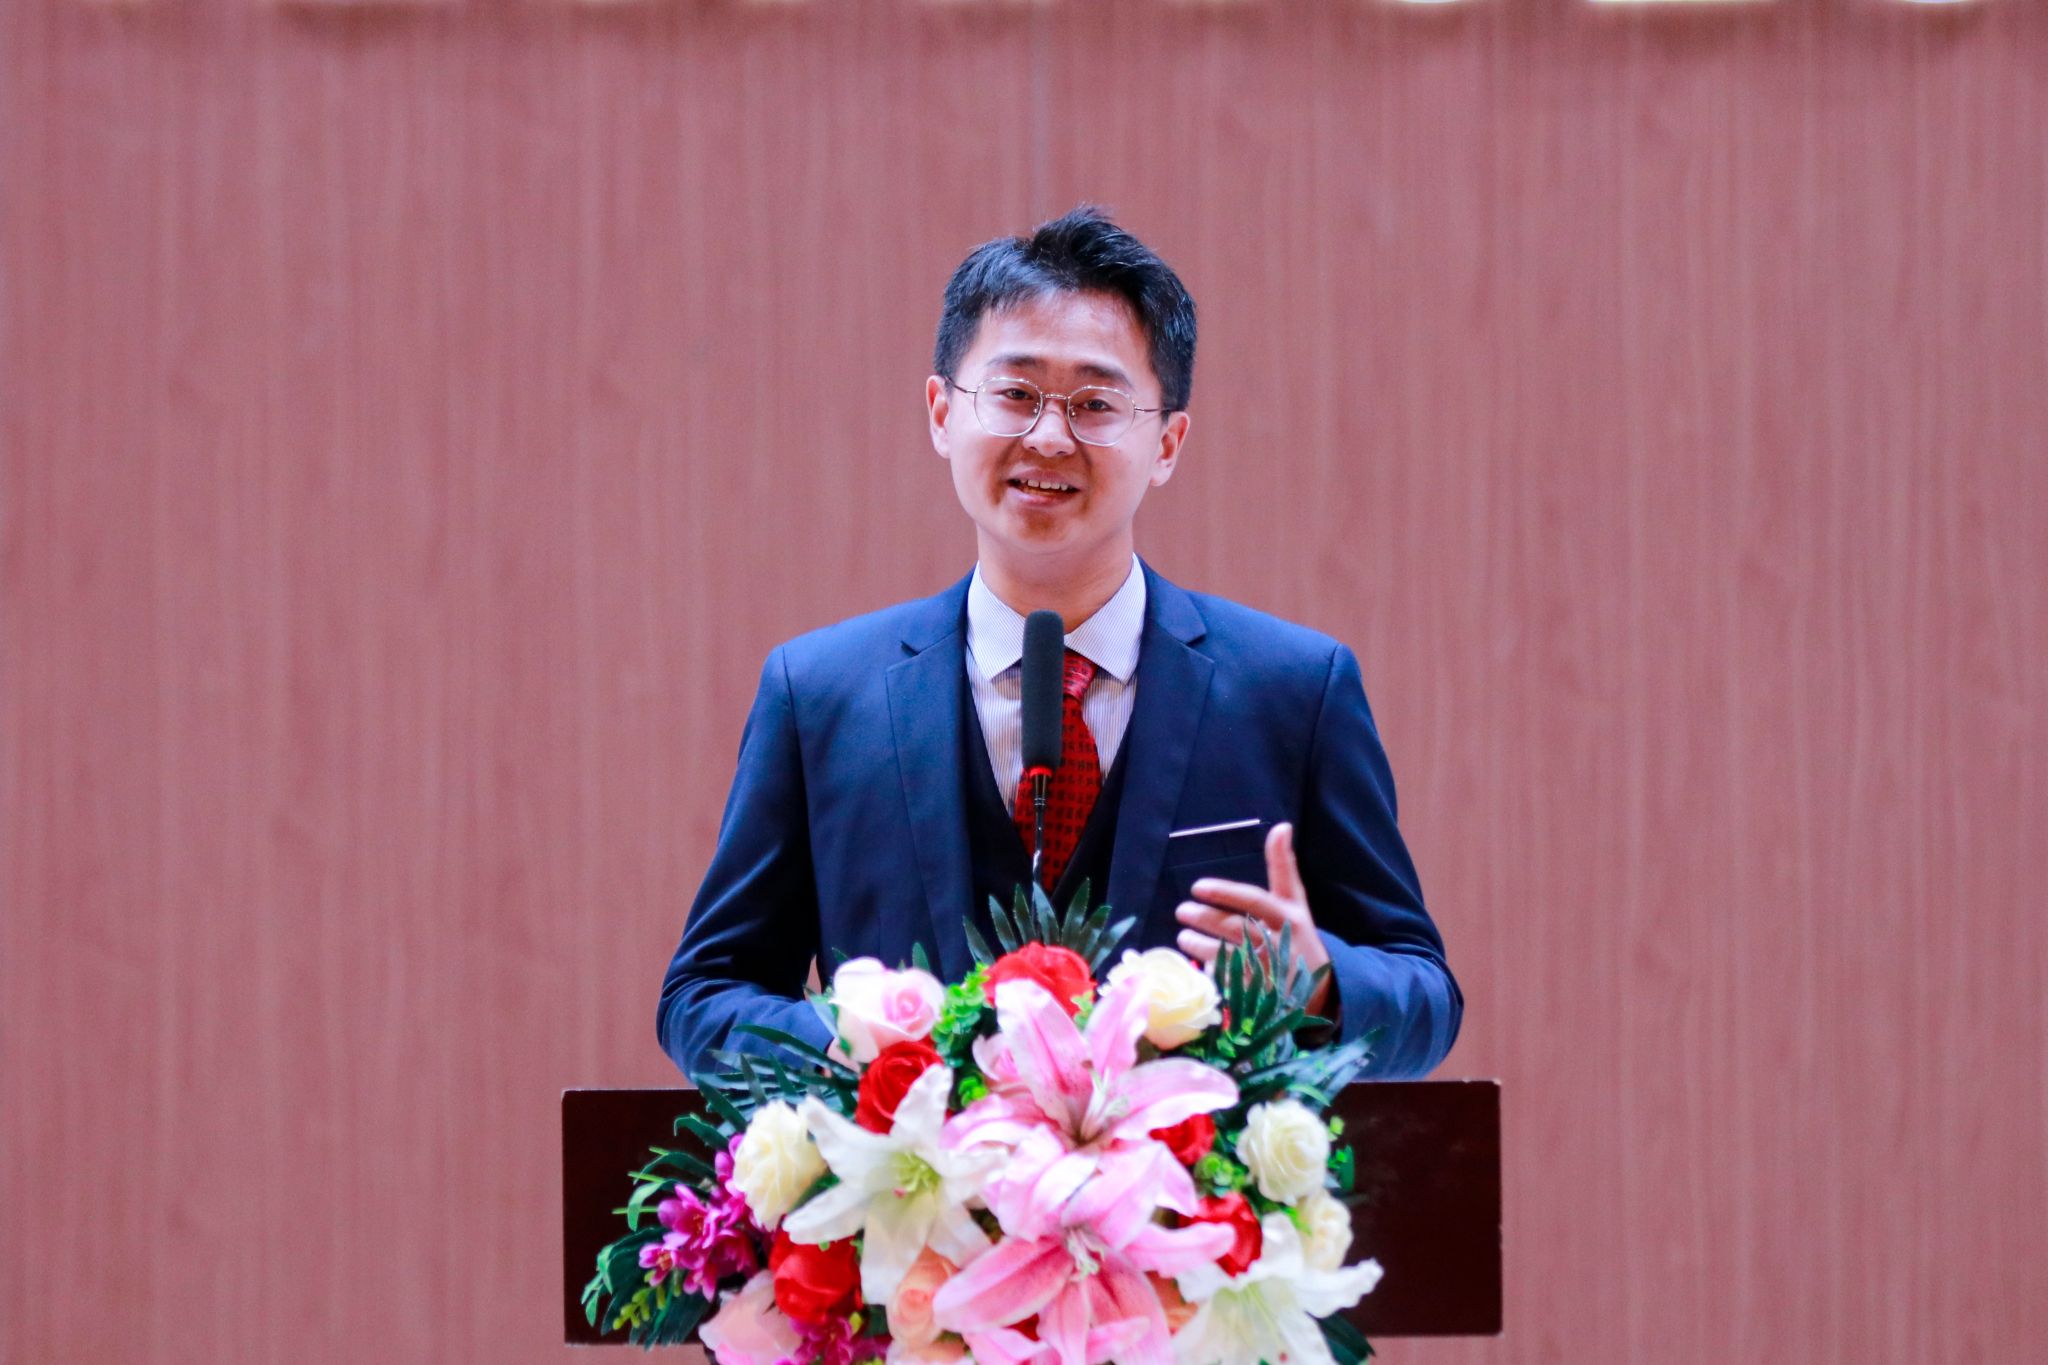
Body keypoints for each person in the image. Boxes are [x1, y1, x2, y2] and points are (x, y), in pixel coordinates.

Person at [658, 207, 1460, 1081]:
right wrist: (852, 1046)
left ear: (1168, 443)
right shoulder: (819, 695)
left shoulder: (1293, 690)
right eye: (1015, 394)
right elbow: (705, 994)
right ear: (941, 413)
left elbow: (1425, 995)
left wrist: (1323, 985)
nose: (1048, 436)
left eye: (1095, 404)